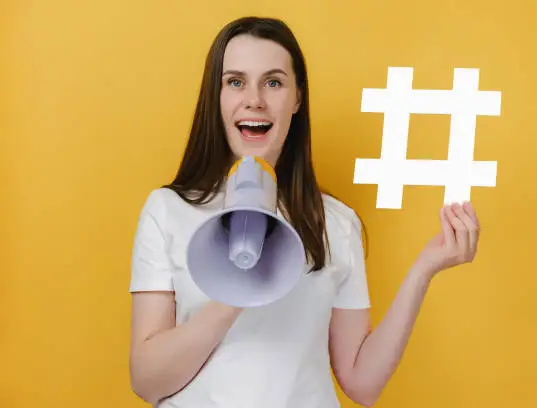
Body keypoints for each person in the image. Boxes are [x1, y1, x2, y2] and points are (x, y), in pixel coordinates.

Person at [128, 16, 481, 408]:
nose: (254, 99)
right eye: (235, 81)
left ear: (297, 98)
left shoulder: (334, 223)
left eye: (274, 82)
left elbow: (362, 383)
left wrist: (423, 269)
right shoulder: (168, 210)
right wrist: (239, 289)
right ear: (217, 96)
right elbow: (146, 380)